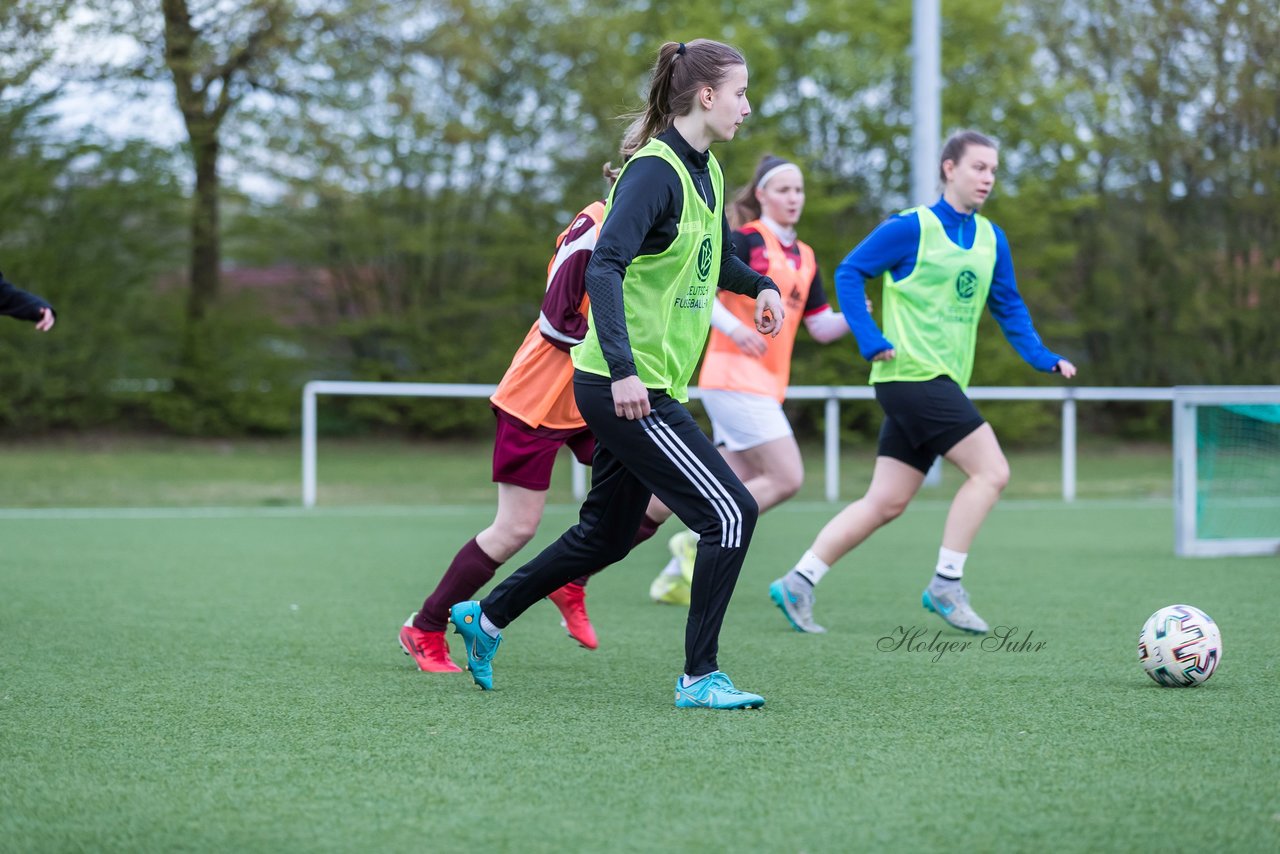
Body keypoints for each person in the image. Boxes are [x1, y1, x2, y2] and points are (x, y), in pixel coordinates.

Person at [448, 39, 784, 709]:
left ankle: (484, 618)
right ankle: (699, 678)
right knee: (731, 513)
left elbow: (708, 262)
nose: (748, 106)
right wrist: (625, 371)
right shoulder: (653, 171)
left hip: (652, 383)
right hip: (622, 388)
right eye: (741, 93)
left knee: (604, 534)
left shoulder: (709, 172)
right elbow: (604, 267)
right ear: (707, 95)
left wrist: (760, 286)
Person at [770, 129, 1077, 635]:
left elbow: (1009, 306)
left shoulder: (990, 238)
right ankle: (946, 585)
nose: (988, 179)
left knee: (886, 501)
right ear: (949, 168)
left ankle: (799, 581)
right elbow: (849, 272)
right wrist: (868, 338)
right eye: (979, 167)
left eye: (994, 170)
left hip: (935, 383)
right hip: (912, 375)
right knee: (992, 472)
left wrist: (1043, 357)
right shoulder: (910, 227)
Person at [397, 127, 667, 672]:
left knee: (661, 496)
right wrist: (621, 363)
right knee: (516, 528)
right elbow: (556, 320)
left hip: (599, 398)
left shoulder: (651, 233)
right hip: (541, 397)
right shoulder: (595, 229)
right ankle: (425, 627)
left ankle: (571, 580)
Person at [646, 154, 851, 605]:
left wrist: (856, 317)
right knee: (786, 476)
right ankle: (697, 541)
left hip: (762, 388)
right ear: (761, 195)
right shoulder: (746, 240)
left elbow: (820, 328)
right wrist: (737, 328)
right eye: (783, 189)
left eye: (798, 190)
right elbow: (697, 289)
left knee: (706, 484)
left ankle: (624, 545)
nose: (793, 198)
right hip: (733, 379)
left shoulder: (807, 258)